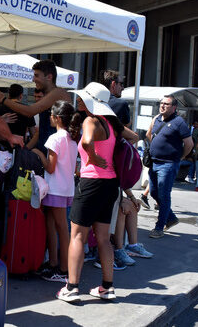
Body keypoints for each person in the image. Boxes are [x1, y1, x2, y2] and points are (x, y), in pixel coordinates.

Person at [56, 82, 137, 303]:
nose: (79, 101)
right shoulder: (112, 125)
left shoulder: (91, 120)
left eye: (82, 98)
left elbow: (87, 140)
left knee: (78, 236)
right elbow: (135, 137)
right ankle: (107, 287)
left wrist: (91, 156)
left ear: (90, 101)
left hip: (91, 183)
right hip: (110, 185)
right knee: (103, 238)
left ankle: (72, 287)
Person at [98, 69, 148, 267]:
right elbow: (130, 134)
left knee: (124, 205)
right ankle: (116, 252)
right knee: (119, 208)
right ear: (113, 84)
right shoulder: (118, 105)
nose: (122, 87)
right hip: (110, 170)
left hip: (99, 171)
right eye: (120, 84)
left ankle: (124, 248)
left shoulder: (94, 115)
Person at [31, 100, 80, 283]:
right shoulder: (72, 139)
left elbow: (50, 168)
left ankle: (63, 269)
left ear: (57, 118)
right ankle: (54, 264)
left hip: (56, 188)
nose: (50, 117)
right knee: (53, 226)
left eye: (51, 114)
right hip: (66, 188)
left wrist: (39, 154)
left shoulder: (55, 138)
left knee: (60, 228)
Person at [0, 59, 70, 151]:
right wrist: (25, 149)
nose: (33, 79)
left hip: (56, 154)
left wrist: (3, 99)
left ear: (49, 77)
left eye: (36, 75)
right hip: (47, 152)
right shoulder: (49, 95)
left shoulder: (58, 93)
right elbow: (40, 132)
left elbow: (30, 111)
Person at [146, 95, 194, 238]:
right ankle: (171, 218)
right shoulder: (156, 119)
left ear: (174, 107)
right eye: (161, 103)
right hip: (154, 162)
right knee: (154, 193)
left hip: (168, 164)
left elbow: (189, 144)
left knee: (164, 195)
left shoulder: (179, 122)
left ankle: (159, 227)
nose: (162, 106)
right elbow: (149, 134)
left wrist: (180, 157)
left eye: (166, 104)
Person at [0, 84, 38, 148]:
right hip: (19, 146)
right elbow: (33, 133)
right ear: (21, 96)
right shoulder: (26, 110)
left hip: (0, 146)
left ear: (9, 94)